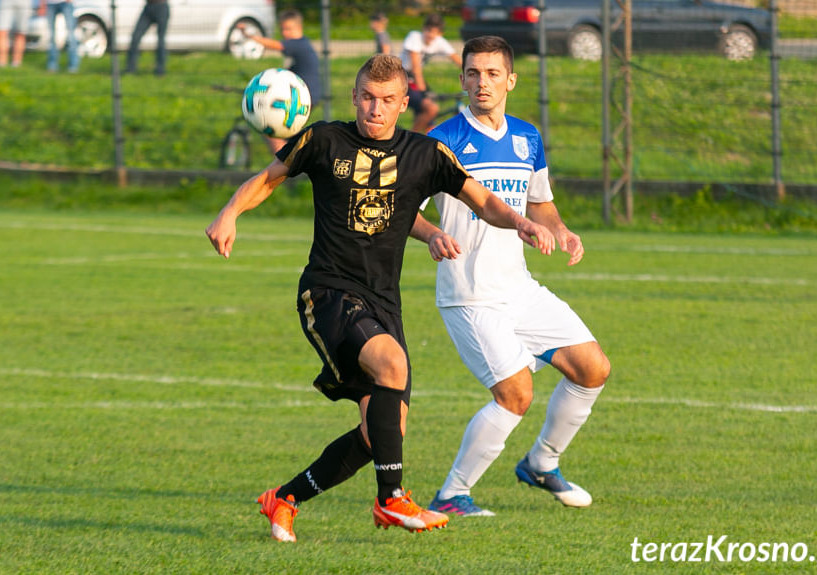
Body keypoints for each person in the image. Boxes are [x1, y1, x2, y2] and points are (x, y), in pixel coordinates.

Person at [205, 54, 555, 543]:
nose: (376, 108)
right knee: (391, 365)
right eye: (368, 97)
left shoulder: (424, 154)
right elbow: (268, 178)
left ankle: (283, 499)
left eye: (387, 100)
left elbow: (483, 200)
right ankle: (391, 500)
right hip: (327, 292)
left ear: (403, 104)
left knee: (381, 433)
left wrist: (518, 221)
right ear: (355, 97)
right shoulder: (325, 139)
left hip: (383, 302)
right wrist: (229, 213)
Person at [410, 36, 611, 517]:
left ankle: (542, 463)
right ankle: (453, 495)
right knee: (516, 393)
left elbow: (538, 202)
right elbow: (405, 212)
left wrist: (561, 230)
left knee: (593, 368)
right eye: (474, 74)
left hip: (517, 288)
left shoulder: (527, 137)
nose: (483, 83)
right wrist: (432, 233)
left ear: (510, 81)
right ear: (461, 80)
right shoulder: (441, 140)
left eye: (493, 74)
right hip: (469, 294)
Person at [239, 8, 321, 153]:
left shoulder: (297, 44)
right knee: (288, 132)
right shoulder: (303, 44)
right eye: (282, 29)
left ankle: (284, 163)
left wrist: (250, 36)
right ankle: (290, 158)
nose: (285, 33)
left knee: (269, 126)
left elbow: (274, 45)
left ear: (299, 28)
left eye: (289, 29)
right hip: (308, 93)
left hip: (304, 95)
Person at [400, 14, 461, 133]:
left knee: (429, 118)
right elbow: (415, 67)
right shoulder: (415, 37)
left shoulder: (439, 42)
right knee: (431, 108)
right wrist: (423, 92)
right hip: (403, 78)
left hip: (415, 79)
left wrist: (476, 71)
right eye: (428, 30)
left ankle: (421, 138)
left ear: (440, 34)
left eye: (434, 32)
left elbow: (458, 60)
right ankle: (410, 141)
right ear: (423, 29)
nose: (430, 35)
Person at [126, 0, 169, 76]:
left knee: (161, 41)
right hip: (148, 7)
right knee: (135, 37)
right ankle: (130, 68)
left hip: (161, 6)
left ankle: (160, 70)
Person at [39, 0, 79, 73]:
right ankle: (52, 65)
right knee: (51, 35)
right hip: (50, 3)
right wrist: (42, 4)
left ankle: (73, 66)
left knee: (70, 35)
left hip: (66, 3)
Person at [0, 0, 35, 68]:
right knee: (1, 31)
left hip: (24, 2)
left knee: (21, 32)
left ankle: (16, 62)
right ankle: (2, 63)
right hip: (5, 2)